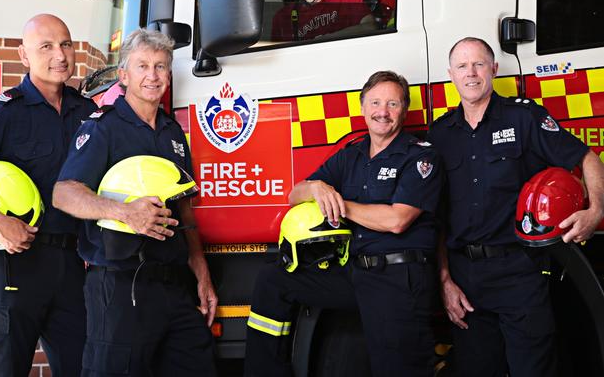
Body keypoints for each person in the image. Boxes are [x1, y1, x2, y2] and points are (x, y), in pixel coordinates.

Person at [245, 71, 443, 377]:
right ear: (362, 108)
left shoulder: (419, 156)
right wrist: (314, 189)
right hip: (357, 272)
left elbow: (397, 220)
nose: (383, 112)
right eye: (376, 103)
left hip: (398, 278)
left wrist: (341, 205)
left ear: (404, 110)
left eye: (393, 104)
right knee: (275, 280)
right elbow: (293, 194)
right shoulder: (352, 155)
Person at [428, 37, 604, 377]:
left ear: (494, 69)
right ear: (450, 75)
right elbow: (437, 217)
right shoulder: (440, 135)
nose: (472, 73)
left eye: (479, 64)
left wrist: (595, 210)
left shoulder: (523, 118)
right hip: (465, 281)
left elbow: (587, 157)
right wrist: (445, 281)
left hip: (519, 273)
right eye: (462, 66)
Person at [52, 29, 217, 377]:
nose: (152, 75)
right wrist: (125, 213)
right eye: (142, 66)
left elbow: (184, 207)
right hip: (120, 285)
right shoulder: (103, 128)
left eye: (160, 67)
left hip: (174, 285)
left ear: (169, 76)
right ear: (124, 76)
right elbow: (64, 193)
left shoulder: (174, 134)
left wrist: (200, 270)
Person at [0, 14, 97, 376]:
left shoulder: (89, 113)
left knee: (84, 367)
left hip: (69, 264)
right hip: (11, 263)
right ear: (23, 55)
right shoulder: (5, 112)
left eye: (65, 44)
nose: (60, 55)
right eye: (46, 47)